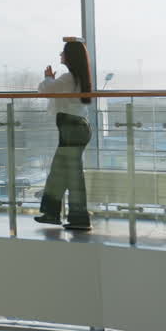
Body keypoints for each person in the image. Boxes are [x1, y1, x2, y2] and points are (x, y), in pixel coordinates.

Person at [35, 37, 94, 231]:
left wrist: (48, 77)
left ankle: (78, 218)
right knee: (60, 172)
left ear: (69, 56)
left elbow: (45, 90)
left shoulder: (68, 78)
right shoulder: (78, 77)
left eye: (63, 52)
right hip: (77, 128)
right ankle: (53, 213)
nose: (60, 54)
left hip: (71, 129)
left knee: (70, 174)